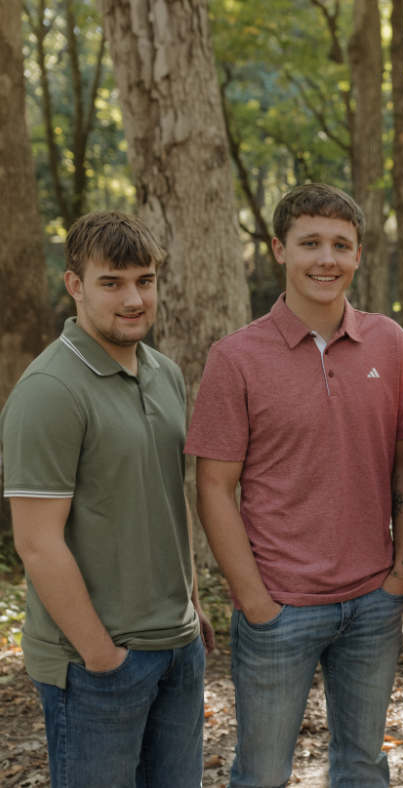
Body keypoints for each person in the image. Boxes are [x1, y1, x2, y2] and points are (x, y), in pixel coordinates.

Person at [185, 183, 403, 788]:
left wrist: (401, 570)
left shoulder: (389, 343)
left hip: (373, 600)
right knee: (262, 773)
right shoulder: (235, 357)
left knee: (364, 766)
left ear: (359, 254)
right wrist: (255, 600)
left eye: (341, 245)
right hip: (279, 605)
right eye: (309, 242)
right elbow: (213, 487)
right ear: (278, 250)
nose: (326, 258)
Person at [0, 211, 214, 787]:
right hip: (97, 664)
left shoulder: (164, 373)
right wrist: (101, 655)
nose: (133, 298)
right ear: (75, 285)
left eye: (144, 280)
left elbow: (169, 496)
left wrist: (190, 602)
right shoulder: (49, 391)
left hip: (177, 645)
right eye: (111, 282)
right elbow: (36, 543)